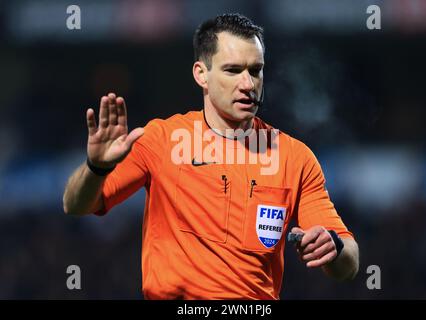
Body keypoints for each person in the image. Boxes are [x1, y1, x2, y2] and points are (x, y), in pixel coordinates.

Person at [63, 13, 359, 300]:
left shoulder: (294, 157)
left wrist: (332, 246)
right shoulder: (161, 140)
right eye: (232, 70)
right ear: (201, 74)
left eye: (255, 70)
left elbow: (349, 263)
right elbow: (76, 205)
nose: (248, 84)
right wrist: (96, 167)